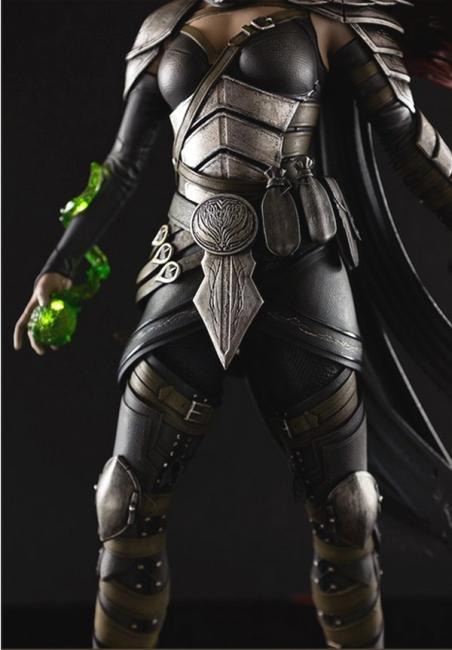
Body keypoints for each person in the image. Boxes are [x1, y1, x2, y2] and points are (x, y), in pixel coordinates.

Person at [13, 0, 452, 647]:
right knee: (124, 502)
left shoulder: (328, 21)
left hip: (301, 265)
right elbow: (123, 163)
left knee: (347, 511)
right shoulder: (164, 29)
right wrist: (61, 261)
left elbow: (411, 144)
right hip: (184, 262)